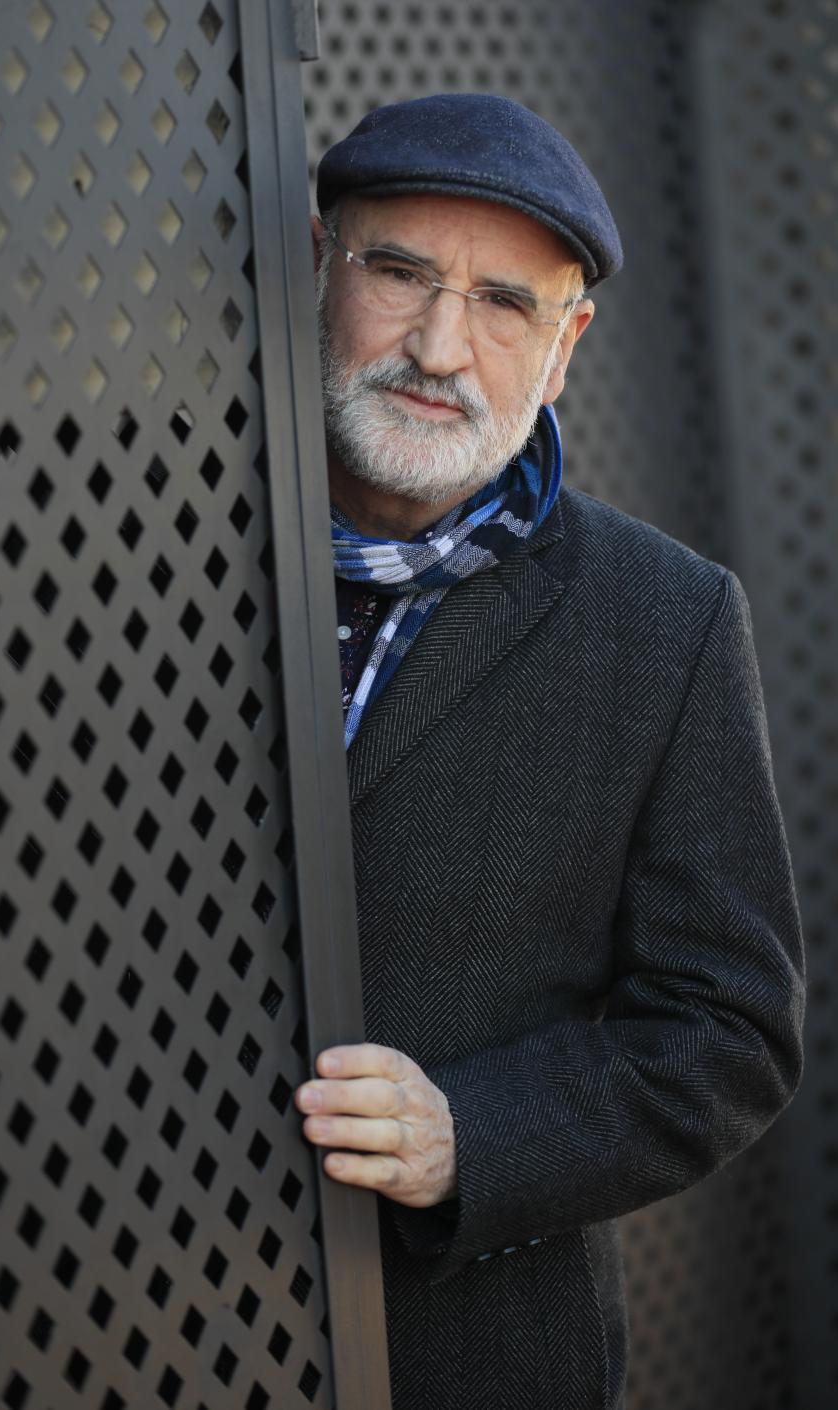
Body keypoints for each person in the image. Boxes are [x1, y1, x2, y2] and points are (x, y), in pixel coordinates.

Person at [292, 93, 805, 1410]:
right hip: (83, 1303)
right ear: (313, 265)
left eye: (504, 303)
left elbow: (727, 1028)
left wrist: (468, 1137)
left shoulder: (669, 619)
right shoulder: (103, 510)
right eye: (398, 272)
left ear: (565, 344)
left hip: (467, 1354)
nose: (438, 344)